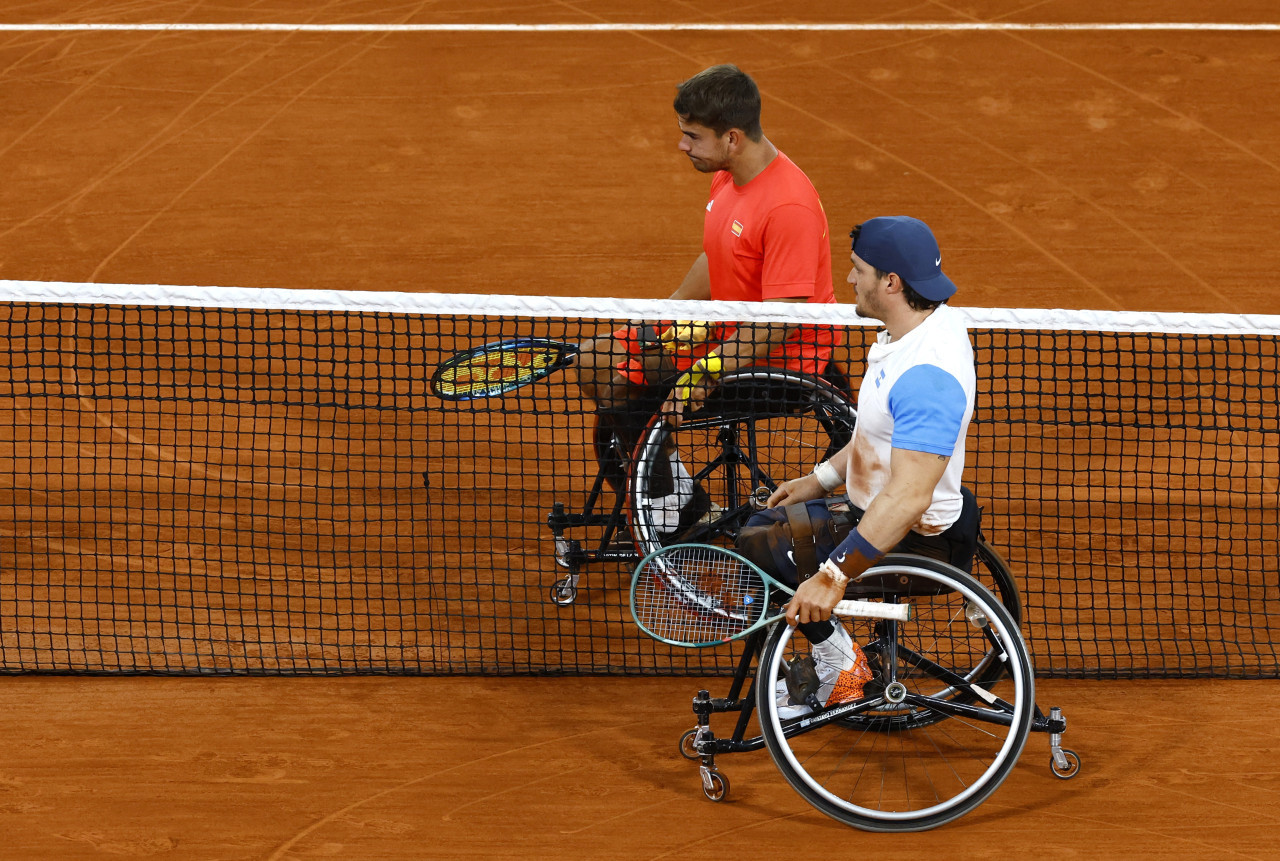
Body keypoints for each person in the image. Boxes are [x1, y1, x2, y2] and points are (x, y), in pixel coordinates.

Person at [572, 64, 837, 532]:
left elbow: (780, 321)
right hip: (730, 333)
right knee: (598, 363)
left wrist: (705, 369)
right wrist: (665, 314)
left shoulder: (787, 206)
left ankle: (683, 513)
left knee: (612, 379)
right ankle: (677, 497)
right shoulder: (731, 174)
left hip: (779, 361)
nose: (682, 145)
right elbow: (718, 255)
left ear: (732, 137)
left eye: (692, 136)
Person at [736, 215, 978, 718]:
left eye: (858, 270)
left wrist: (831, 577)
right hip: (884, 508)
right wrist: (819, 480)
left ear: (890, 282)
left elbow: (910, 496)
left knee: (760, 548)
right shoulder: (912, 328)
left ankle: (842, 670)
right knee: (757, 524)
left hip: (916, 536)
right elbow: (878, 435)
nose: (849, 279)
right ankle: (839, 660)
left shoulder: (927, 376)